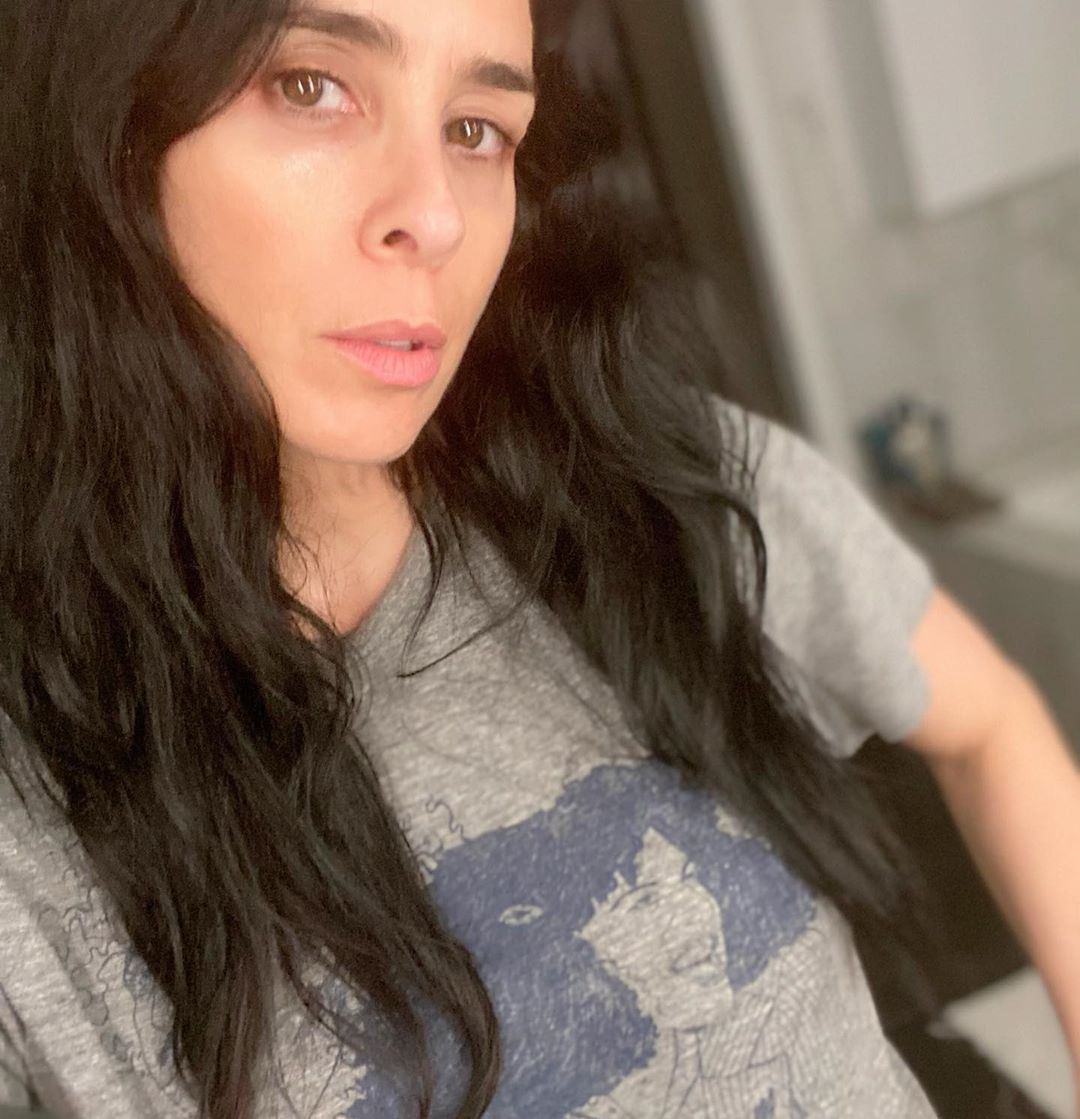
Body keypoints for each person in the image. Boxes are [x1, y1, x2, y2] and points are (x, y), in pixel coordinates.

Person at [1, 0, 1078, 1117]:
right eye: (312, 87)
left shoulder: (646, 486)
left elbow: (992, 721)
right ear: (99, 124)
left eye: (477, 130)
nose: (436, 214)